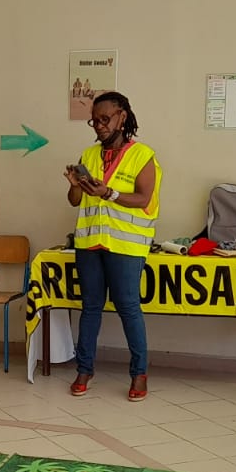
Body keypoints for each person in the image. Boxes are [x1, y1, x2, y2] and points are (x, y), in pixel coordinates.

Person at [63, 91, 162, 402]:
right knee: (90, 307)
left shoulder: (143, 155)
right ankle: (84, 370)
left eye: (105, 119)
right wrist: (75, 186)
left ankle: (139, 374)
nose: (99, 125)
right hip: (90, 244)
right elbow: (75, 201)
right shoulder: (89, 155)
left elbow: (143, 199)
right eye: (95, 120)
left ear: (122, 117)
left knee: (128, 308)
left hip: (126, 247)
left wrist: (109, 193)